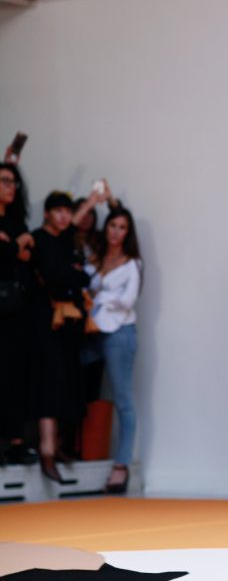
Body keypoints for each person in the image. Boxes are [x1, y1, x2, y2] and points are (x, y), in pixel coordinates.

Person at [30, 192, 92, 482]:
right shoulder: (39, 239)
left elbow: (81, 276)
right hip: (45, 321)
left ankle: (56, 446)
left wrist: (93, 200)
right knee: (48, 383)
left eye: (68, 211)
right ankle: (46, 449)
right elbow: (55, 275)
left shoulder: (65, 240)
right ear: (47, 213)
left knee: (67, 381)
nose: (65, 216)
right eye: (58, 211)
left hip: (68, 322)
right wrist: (73, 274)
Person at [82, 205, 142, 494]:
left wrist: (100, 299)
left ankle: (121, 464)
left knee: (123, 399)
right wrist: (100, 198)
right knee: (77, 386)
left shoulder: (132, 264)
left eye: (122, 227)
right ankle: (79, 448)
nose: (116, 232)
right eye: (112, 225)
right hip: (92, 331)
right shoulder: (95, 256)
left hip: (119, 332)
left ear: (128, 233)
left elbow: (127, 301)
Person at [0, 163, 35, 465]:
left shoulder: (14, 221)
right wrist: (15, 248)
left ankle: (16, 441)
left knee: (16, 374)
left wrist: (12, 246)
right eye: (5, 181)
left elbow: (27, 252)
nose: (10, 186)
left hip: (17, 310)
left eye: (13, 181)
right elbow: (12, 253)